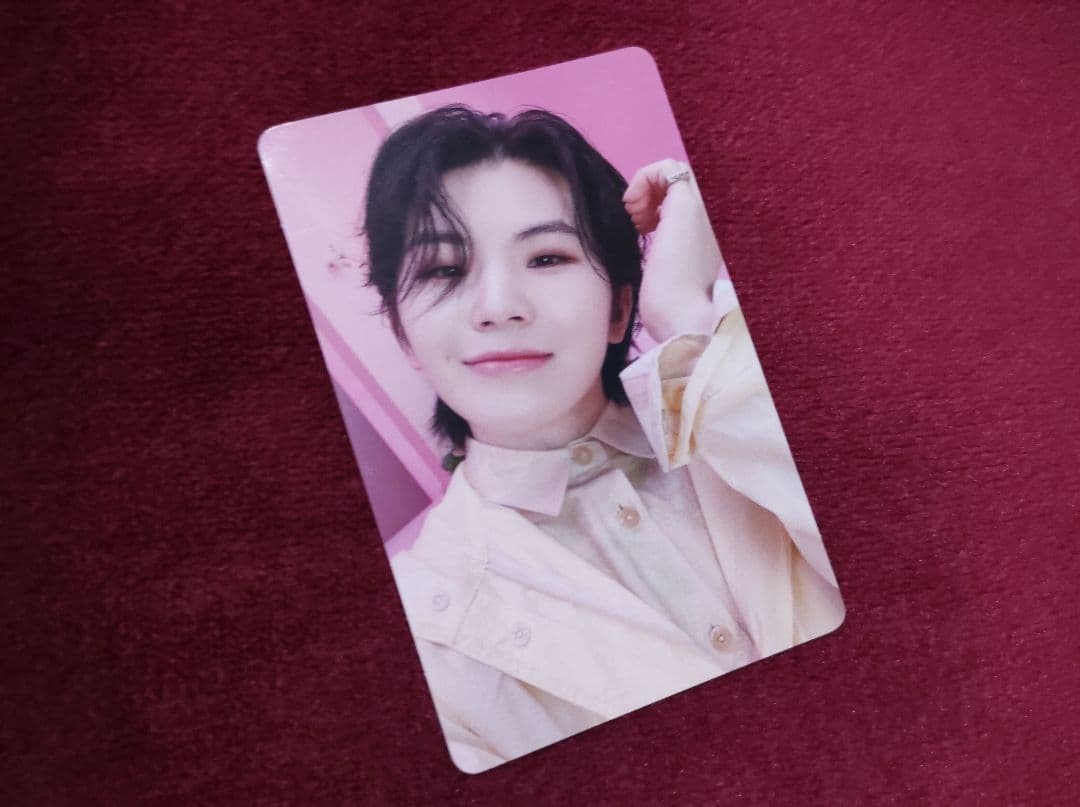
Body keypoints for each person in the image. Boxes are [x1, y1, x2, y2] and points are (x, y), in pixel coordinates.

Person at [362, 105, 844, 773]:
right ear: (401, 334)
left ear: (620, 307)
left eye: (547, 256)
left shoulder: (761, 389)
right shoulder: (419, 629)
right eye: (444, 269)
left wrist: (685, 312)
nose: (499, 306)